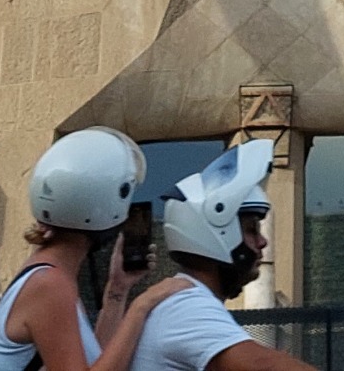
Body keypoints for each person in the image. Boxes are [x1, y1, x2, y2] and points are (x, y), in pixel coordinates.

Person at [0, 129, 176, 371]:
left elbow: (96, 361)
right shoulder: (50, 285)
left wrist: (118, 289)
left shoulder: (49, 274)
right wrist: (141, 306)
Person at [119, 142, 318, 371]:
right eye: (252, 230)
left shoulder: (183, 299)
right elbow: (266, 366)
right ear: (217, 234)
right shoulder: (187, 306)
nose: (263, 242)